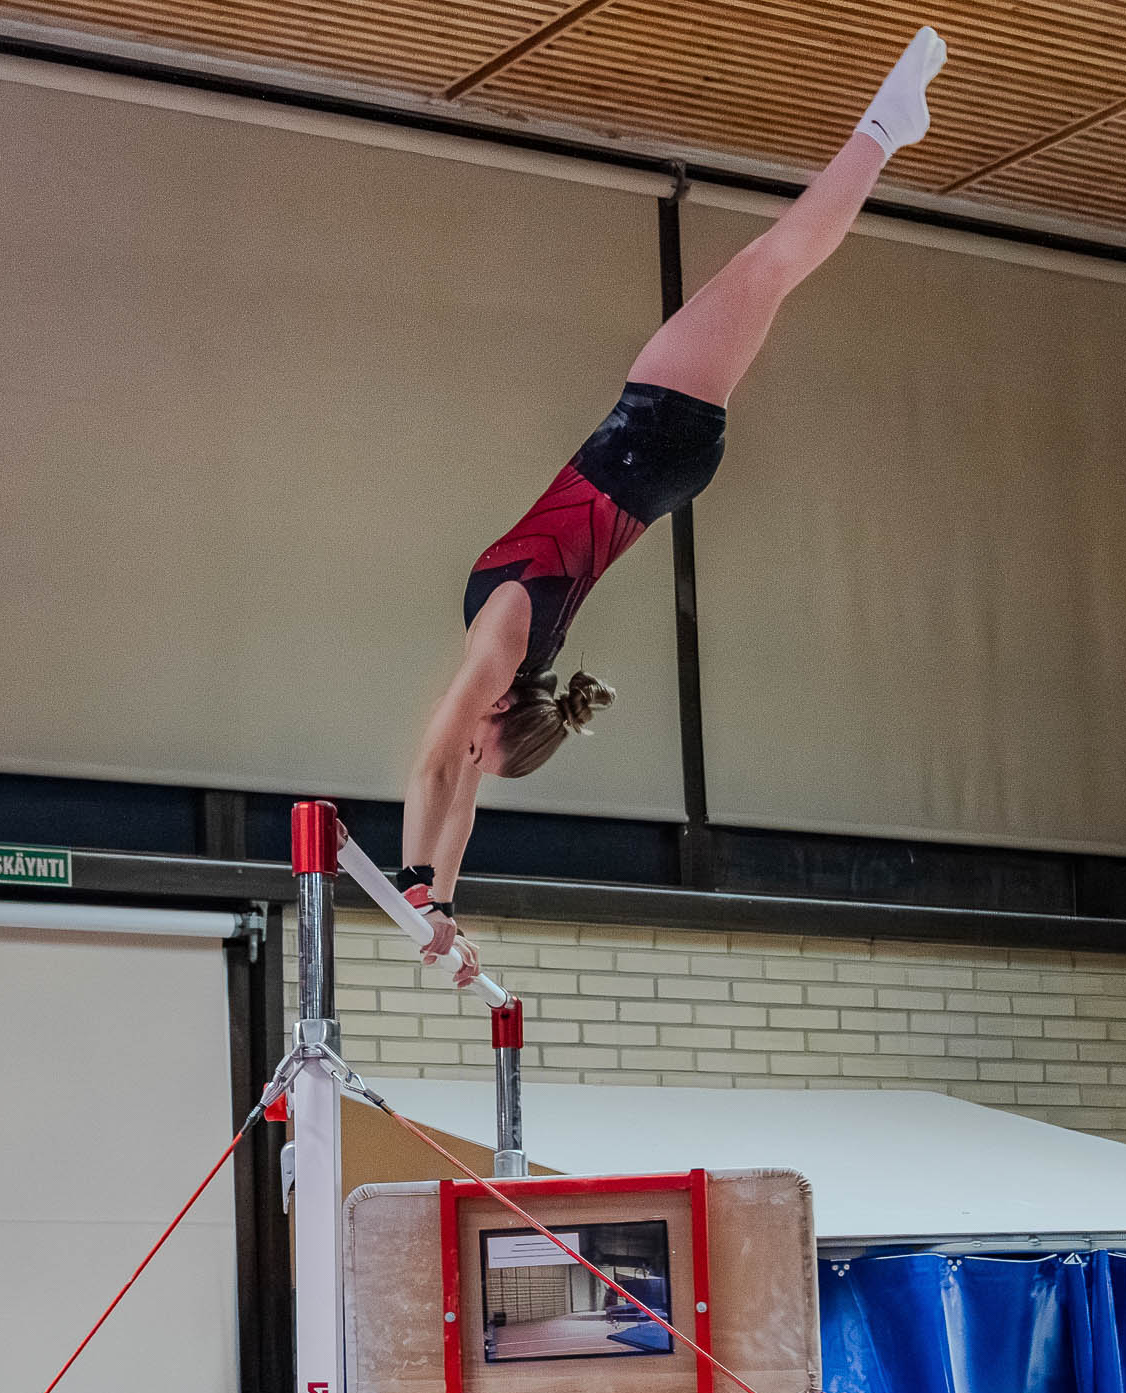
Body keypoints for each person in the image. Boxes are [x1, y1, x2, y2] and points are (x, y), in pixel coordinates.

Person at [395, 26, 951, 981]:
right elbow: (438, 771)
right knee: (772, 265)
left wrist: (441, 903)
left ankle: (889, 127)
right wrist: (414, 883)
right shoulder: (502, 646)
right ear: (500, 715)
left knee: (771, 272)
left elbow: (465, 793)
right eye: (483, 748)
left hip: (658, 468)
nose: (467, 753)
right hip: (648, 441)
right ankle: (886, 127)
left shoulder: (514, 656)